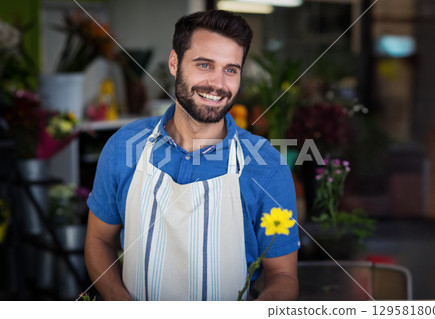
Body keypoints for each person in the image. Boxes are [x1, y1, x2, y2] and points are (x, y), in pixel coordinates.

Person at [85, 9, 300, 301]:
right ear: (175, 64)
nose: (218, 84)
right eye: (204, 65)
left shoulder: (266, 167)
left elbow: (283, 275)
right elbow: (98, 240)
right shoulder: (125, 146)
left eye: (231, 69)